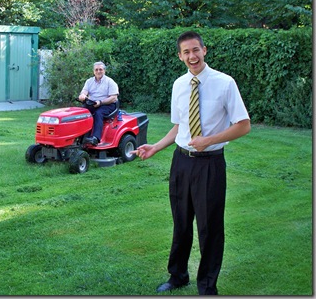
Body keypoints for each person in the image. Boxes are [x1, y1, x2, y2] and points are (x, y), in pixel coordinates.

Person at [132, 31, 251, 295]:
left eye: (195, 50)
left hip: (210, 164)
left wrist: (210, 140)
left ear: (204, 50)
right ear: (180, 56)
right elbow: (179, 127)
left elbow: (243, 126)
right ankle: (178, 276)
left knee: (209, 228)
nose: (192, 56)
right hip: (181, 163)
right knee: (181, 223)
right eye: (186, 52)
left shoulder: (225, 83)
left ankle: (207, 285)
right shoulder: (179, 85)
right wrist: (156, 147)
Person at [78, 61, 119, 145]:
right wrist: (82, 95)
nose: (98, 71)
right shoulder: (89, 81)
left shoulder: (110, 82)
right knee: (81, 113)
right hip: (93, 103)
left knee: (98, 113)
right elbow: (84, 91)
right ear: (93, 71)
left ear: (104, 71)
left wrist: (100, 102)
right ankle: (80, 136)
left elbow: (113, 98)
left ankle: (95, 138)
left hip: (108, 104)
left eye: (100, 69)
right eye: (96, 69)